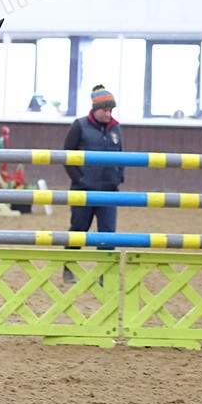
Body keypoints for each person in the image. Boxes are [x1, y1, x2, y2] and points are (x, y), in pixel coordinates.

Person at [61, 84, 124, 282]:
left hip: (109, 191)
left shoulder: (116, 128)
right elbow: (67, 155)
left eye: (110, 110)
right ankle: (69, 267)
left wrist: (118, 177)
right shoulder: (79, 126)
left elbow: (121, 154)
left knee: (108, 233)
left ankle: (105, 274)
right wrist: (79, 179)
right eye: (105, 110)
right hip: (83, 190)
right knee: (78, 229)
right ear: (95, 109)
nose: (108, 113)